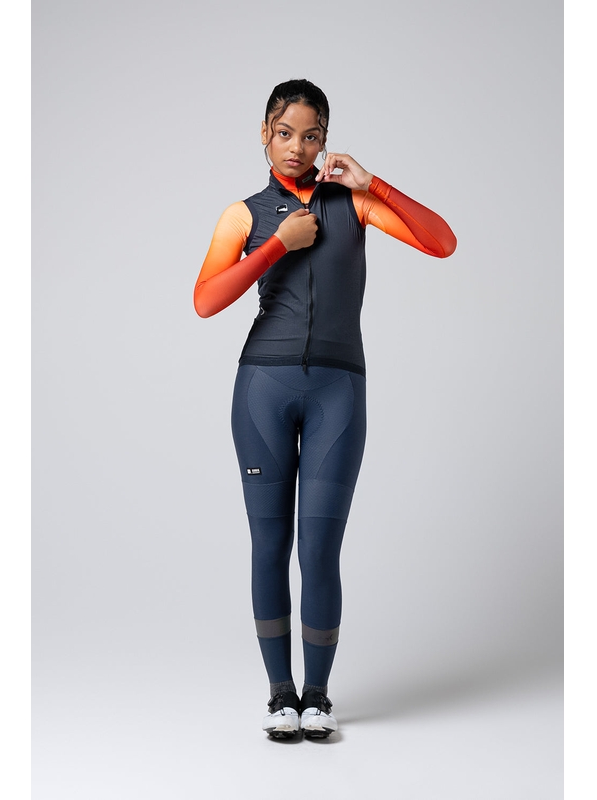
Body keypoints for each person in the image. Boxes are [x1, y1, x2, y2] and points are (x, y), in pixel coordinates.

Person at [194, 79, 456, 739]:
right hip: (263, 387)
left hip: (339, 389)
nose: (297, 147)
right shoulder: (244, 215)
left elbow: (442, 242)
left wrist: (375, 183)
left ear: (325, 141)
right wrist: (277, 243)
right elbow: (205, 301)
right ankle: (279, 696)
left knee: (319, 549)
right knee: (269, 543)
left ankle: (317, 697)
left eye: (311, 136)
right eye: (285, 133)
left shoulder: (353, 204)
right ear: (265, 133)